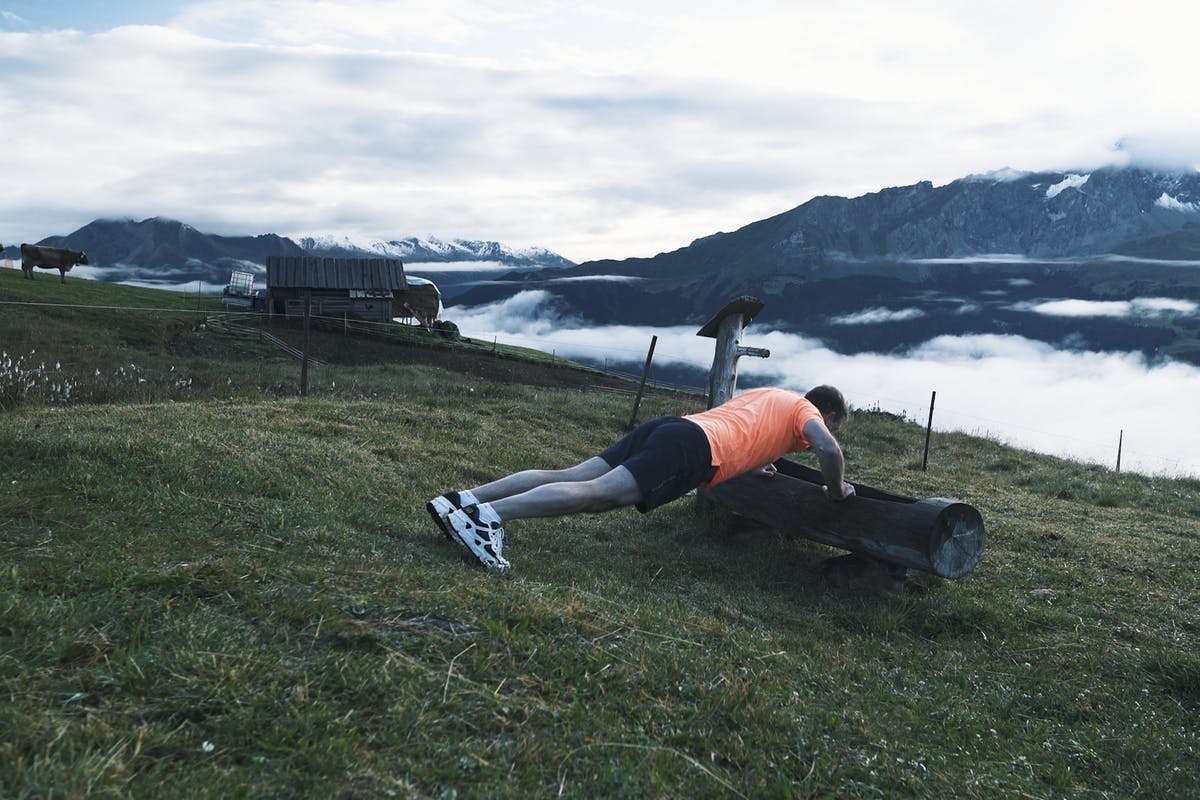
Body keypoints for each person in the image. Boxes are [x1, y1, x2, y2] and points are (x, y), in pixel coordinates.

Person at [427, 385, 854, 570]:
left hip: (673, 428)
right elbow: (827, 448)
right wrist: (836, 489)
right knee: (597, 495)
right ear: (829, 414)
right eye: (832, 423)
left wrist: (752, 461)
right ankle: (485, 518)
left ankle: (461, 501)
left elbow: (742, 428)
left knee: (572, 474)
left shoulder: (774, 398)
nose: (827, 428)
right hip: (693, 449)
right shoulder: (809, 415)